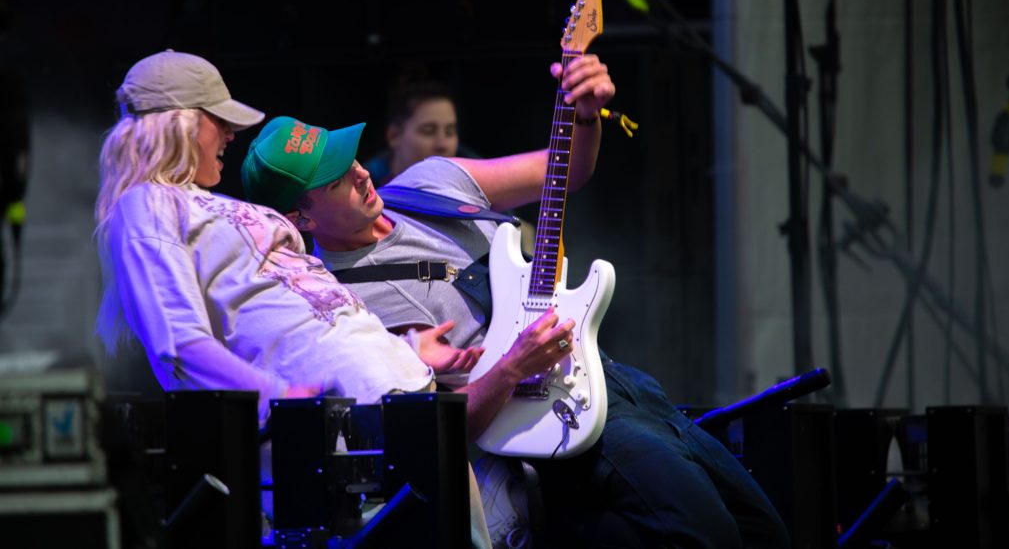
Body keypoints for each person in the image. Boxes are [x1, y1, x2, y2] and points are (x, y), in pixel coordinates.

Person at [241, 54, 792, 549]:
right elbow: (432, 439)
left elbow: (565, 169)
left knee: (765, 532)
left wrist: (585, 112)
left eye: (351, 156)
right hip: (553, 419)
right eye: (337, 178)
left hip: (618, 381)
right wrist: (510, 368)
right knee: (708, 535)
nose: (361, 171)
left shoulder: (428, 184)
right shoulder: (340, 308)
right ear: (301, 220)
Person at [93, 50, 579, 547]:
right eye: (220, 122)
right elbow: (178, 345)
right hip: (351, 445)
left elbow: (297, 312)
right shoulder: (146, 205)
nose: (230, 135)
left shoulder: (208, 205)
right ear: (181, 125)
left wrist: (406, 349)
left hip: (405, 412)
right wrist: (281, 398)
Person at [363, 79, 465, 187]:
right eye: (428, 131)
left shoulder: (475, 181)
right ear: (394, 136)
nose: (442, 144)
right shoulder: (362, 186)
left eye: (450, 132)